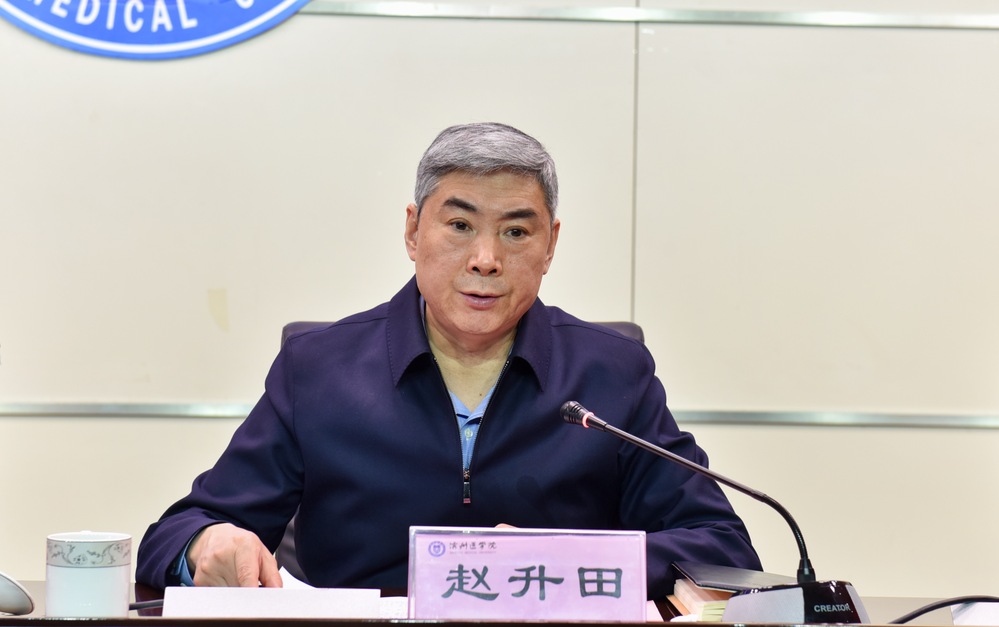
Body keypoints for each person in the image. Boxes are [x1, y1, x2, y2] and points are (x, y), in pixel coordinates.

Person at [136, 122, 761, 598]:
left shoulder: (611, 373)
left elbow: (721, 548)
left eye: (516, 231)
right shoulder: (319, 368)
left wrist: (563, 559)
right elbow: (175, 536)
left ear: (550, 245)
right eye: (460, 226)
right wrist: (208, 545)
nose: (486, 259)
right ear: (413, 231)